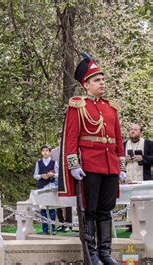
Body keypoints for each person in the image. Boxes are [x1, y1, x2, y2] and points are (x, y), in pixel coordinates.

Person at [59, 53, 126, 265]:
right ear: (86, 85)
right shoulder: (78, 106)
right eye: (97, 80)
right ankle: (92, 254)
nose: (102, 83)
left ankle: (105, 253)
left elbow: (118, 140)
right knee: (90, 211)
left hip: (110, 166)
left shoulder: (111, 108)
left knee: (106, 211)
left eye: (103, 80)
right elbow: (71, 138)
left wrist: (121, 165)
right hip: (89, 165)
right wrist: (73, 164)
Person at [33, 144, 58, 234]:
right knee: (43, 208)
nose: (45, 152)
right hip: (42, 185)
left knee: (51, 208)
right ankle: (45, 229)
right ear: (41, 152)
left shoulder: (54, 162)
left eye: (47, 150)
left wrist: (53, 175)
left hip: (52, 185)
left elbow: (59, 174)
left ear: (50, 152)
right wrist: (41, 176)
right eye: (43, 151)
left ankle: (53, 229)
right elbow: (35, 175)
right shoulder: (39, 163)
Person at [51, 133, 72, 232]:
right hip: (56, 179)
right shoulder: (53, 152)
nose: (61, 140)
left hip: (67, 178)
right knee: (57, 201)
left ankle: (68, 224)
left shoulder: (69, 150)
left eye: (63, 138)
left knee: (68, 201)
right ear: (57, 140)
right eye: (59, 138)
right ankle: (60, 222)